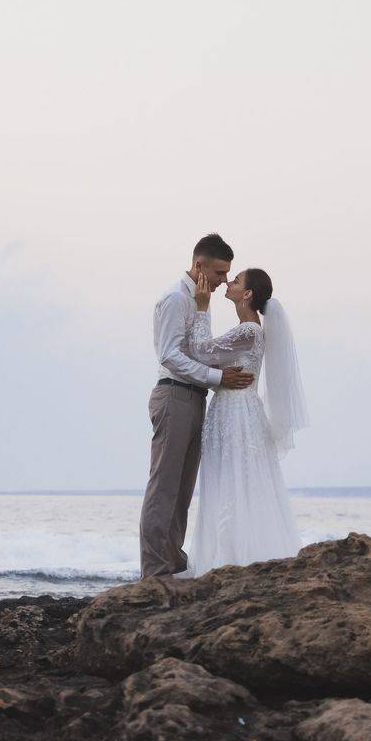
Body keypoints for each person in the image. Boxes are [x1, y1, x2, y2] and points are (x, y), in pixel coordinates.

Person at [138, 233, 254, 578]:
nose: (223, 281)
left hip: (194, 396)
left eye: (227, 274)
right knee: (164, 486)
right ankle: (154, 570)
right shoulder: (176, 298)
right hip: (174, 395)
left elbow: (198, 352)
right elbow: (169, 355)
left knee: (183, 488)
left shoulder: (200, 300)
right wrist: (219, 377)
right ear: (199, 265)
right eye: (219, 273)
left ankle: (174, 562)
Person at [180, 267, 308, 577]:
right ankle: (229, 554)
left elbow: (201, 351)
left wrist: (202, 307)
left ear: (247, 294)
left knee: (234, 482)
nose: (229, 282)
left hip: (236, 414)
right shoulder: (246, 330)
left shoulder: (249, 331)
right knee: (231, 481)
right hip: (234, 410)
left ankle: (233, 558)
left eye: (236, 281)